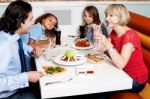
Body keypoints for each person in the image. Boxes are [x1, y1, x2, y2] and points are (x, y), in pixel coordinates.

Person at [97, 4, 148, 93]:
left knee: (101, 89)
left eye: (111, 15)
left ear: (120, 17)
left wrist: (108, 44)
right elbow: (100, 50)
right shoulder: (114, 31)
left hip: (135, 79)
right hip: (122, 74)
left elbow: (121, 64)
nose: (106, 18)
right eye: (106, 15)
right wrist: (98, 34)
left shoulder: (130, 36)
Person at [0, 1, 43, 99]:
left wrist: (31, 50)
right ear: (19, 21)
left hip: (18, 86)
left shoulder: (11, 35)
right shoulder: (3, 45)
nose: (33, 22)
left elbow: (20, 46)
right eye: (30, 19)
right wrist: (26, 77)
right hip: (8, 95)